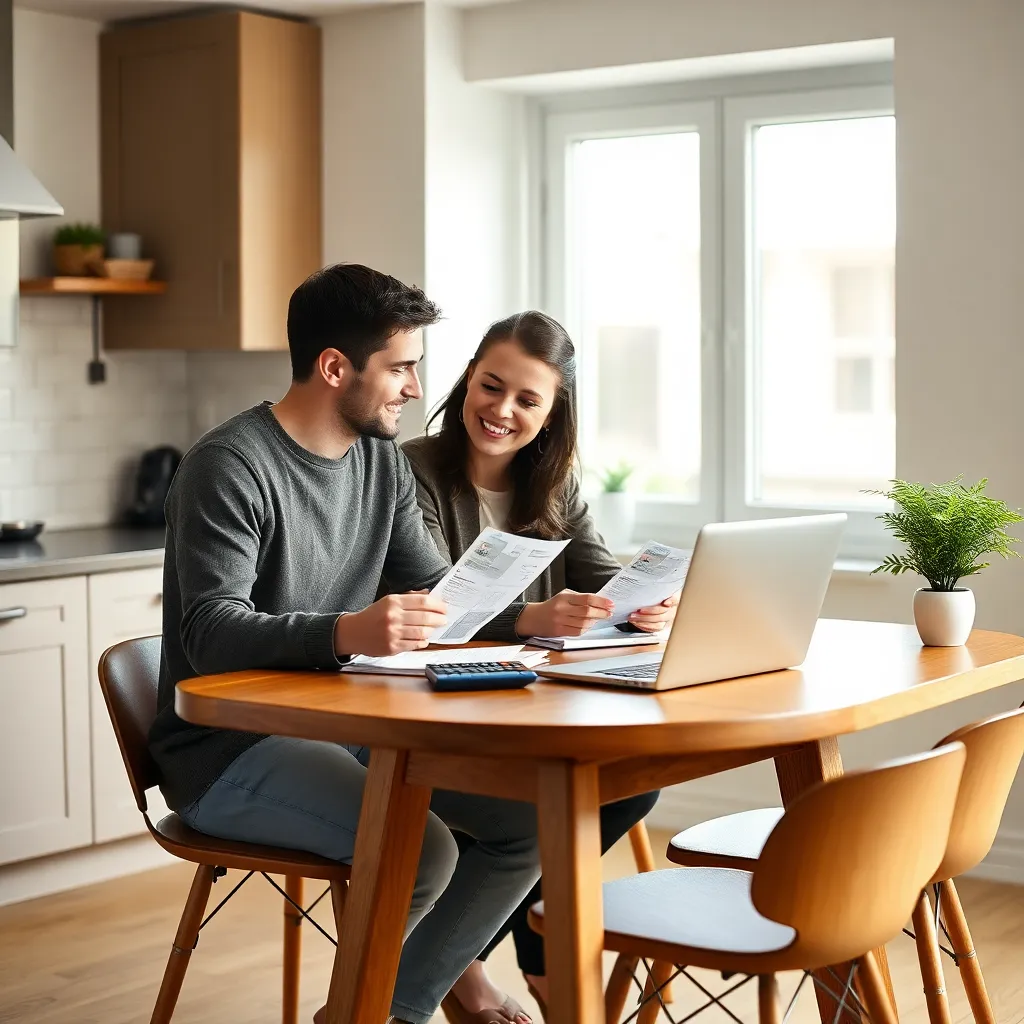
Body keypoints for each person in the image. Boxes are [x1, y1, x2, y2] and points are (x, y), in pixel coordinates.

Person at [149, 265, 542, 1024]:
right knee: (424, 852)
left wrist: (534, 618)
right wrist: (344, 632)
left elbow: (437, 593)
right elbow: (207, 632)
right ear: (335, 367)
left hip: (346, 732)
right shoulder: (228, 467)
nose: (417, 389)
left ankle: (376, 1010)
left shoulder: (378, 463)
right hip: (226, 750)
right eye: (400, 368)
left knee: (528, 823)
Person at [400, 310, 677, 1019]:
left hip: (527, 702)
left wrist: (645, 605)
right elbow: (430, 597)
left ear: (552, 414)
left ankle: (497, 946)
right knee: (545, 809)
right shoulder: (411, 470)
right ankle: (489, 966)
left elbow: (602, 577)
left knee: (628, 789)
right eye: (491, 386)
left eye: (528, 399)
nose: (502, 410)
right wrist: (531, 617)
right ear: (468, 379)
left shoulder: (553, 483)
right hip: (439, 709)